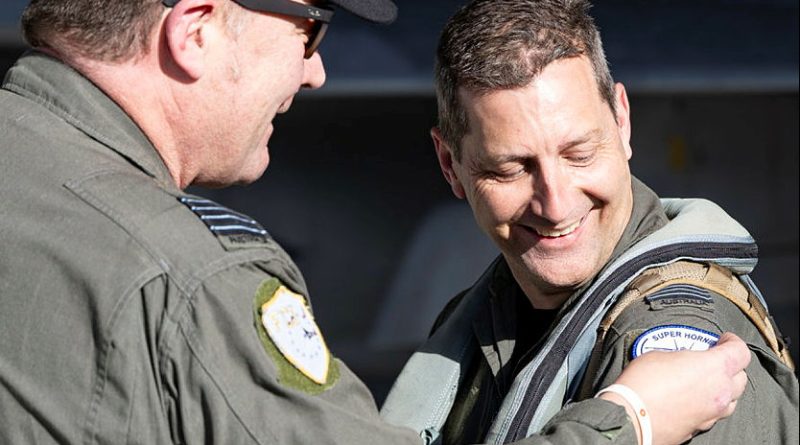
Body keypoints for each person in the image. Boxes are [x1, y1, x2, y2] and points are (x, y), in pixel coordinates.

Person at [0, 0, 752, 444]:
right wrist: (632, 417)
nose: (315, 70)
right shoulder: (188, 282)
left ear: (620, 120)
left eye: (576, 151)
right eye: (311, 30)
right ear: (194, 28)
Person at [381, 1, 799, 445]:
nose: (556, 206)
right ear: (450, 164)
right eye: (511, 169)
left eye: (579, 154)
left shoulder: (677, 354)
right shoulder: (487, 319)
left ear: (622, 122)